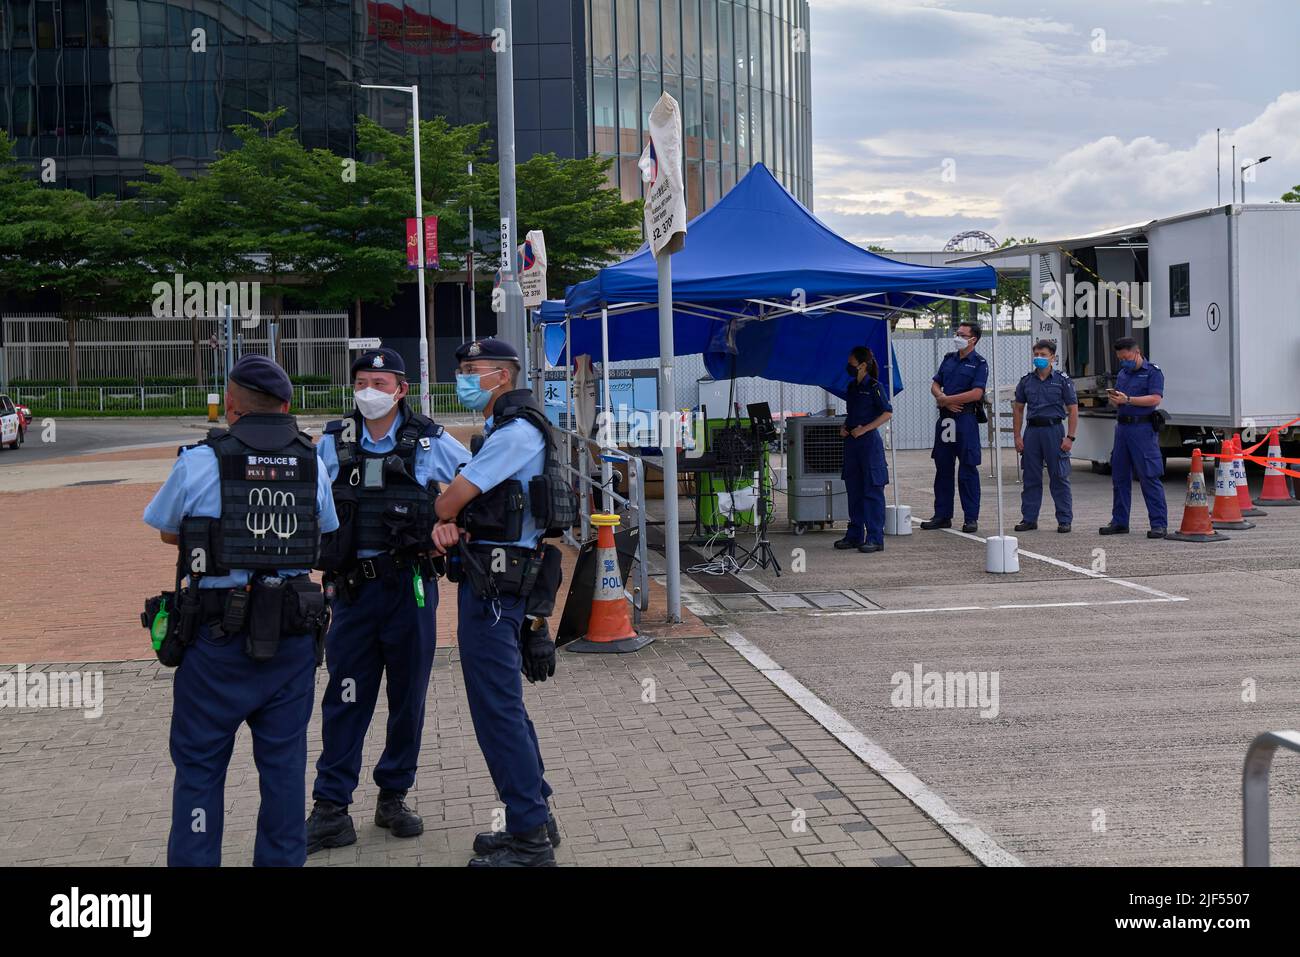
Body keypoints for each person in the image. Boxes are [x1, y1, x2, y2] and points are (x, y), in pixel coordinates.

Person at [142, 354, 337, 866]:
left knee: (200, 770)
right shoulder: (312, 462)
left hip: (215, 641)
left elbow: (167, 528)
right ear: (287, 406)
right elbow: (325, 529)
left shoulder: (198, 460)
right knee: (283, 770)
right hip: (291, 641)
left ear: (230, 409)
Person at [305, 348, 470, 853]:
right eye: (360, 381)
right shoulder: (333, 443)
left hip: (410, 588)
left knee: (407, 699)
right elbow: (307, 503)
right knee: (346, 698)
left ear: (400, 388)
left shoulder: (429, 440)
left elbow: (478, 484)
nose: (368, 391)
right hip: (352, 591)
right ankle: (331, 807)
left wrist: (450, 524)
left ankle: (393, 796)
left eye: (379, 381)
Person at [431, 337, 568, 867]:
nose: (466, 376)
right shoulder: (510, 429)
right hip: (502, 580)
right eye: (462, 367)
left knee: (497, 712)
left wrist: (444, 512)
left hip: (494, 588)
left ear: (503, 377)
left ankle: (529, 840)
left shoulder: (514, 434)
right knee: (505, 707)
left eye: (475, 369)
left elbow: (450, 499)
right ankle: (536, 819)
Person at [921, 320, 988, 534]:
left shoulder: (979, 363)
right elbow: (935, 383)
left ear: (973, 339)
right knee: (943, 468)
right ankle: (942, 515)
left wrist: (949, 399)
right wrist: (942, 397)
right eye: (956, 333)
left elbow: (977, 393)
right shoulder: (949, 359)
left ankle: (970, 518)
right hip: (946, 420)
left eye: (961, 334)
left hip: (965, 420)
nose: (956, 336)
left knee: (968, 468)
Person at [1100, 337, 1168, 537]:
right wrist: (1116, 400)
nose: (1123, 361)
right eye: (1120, 358)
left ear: (1136, 351)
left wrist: (1128, 399)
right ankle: (1120, 521)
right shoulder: (1123, 374)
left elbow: (1155, 398)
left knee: (1149, 475)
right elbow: (1121, 401)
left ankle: (1159, 523)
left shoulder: (1153, 372)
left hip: (1143, 429)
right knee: (1119, 476)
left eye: (1126, 357)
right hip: (1122, 429)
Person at [1012, 340, 1078, 533]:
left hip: (1054, 431)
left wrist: (1070, 437)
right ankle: (1029, 518)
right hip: (1032, 432)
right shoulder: (1026, 381)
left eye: (1043, 354)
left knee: (1059, 476)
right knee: (1031, 477)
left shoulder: (1062, 380)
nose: (1038, 358)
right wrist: (1017, 436)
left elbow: (1073, 410)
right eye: (1036, 354)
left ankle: (1064, 519)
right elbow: (1018, 409)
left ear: (1053, 358)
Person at [834, 346, 893, 553]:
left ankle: (875, 537)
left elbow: (887, 413)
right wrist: (845, 427)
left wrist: (864, 429)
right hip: (852, 443)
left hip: (869, 444)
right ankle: (855, 535)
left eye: (851, 364)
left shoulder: (875, 387)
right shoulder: (852, 387)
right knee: (854, 490)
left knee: (872, 490)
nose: (848, 367)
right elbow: (853, 414)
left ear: (862, 365)